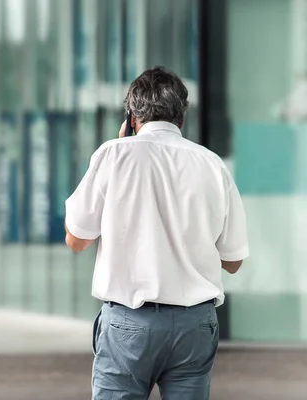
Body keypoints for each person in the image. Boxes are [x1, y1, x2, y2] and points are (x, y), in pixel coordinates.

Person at [64, 67, 249, 399]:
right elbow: (233, 261)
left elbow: (77, 239)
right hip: (195, 325)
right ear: (182, 118)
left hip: (129, 324)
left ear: (132, 117)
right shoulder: (212, 164)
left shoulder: (113, 155)